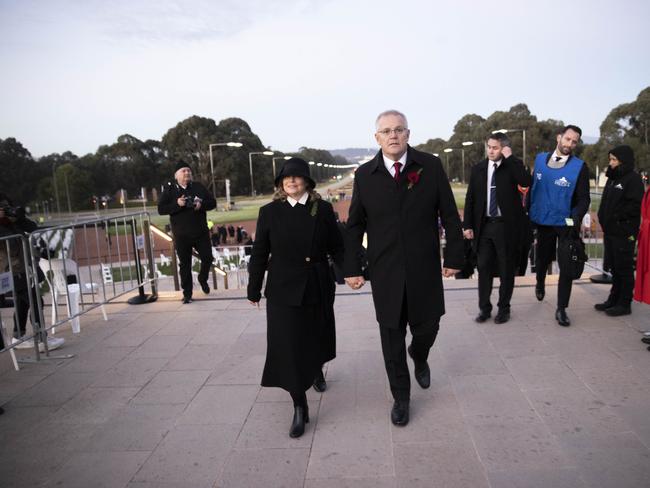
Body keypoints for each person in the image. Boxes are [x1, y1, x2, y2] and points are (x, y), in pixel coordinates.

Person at [344, 110, 464, 426]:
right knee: (391, 338)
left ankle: (420, 355)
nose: (393, 135)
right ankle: (401, 398)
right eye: (386, 131)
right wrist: (352, 266)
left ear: (408, 134)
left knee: (429, 326)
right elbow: (355, 225)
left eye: (399, 129)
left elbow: (450, 216)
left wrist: (453, 257)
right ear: (377, 138)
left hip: (424, 268)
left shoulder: (430, 166)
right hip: (385, 272)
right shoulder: (364, 175)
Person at [247, 157, 344, 438]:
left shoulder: (322, 209)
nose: (291, 182)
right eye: (285, 178)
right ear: (280, 184)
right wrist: (253, 289)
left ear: (307, 182)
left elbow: (337, 247)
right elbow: (260, 254)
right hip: (282, 288)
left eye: (297, 177)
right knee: (289, 346)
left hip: (317, 283)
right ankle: (299, 406)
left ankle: (316, 369)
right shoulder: (269, 212)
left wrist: (351, 272)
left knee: (315, 336)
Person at [463, 132, 531, 323]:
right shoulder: (478, 169)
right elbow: (471, 199)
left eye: (495, 147)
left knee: (506, 269)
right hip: (484, 227)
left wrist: (510, 158)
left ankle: (504, 308)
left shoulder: (512, 167)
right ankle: (484, 309)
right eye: (489, 147)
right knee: (483, 268)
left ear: (504, 149)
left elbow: (526, 181)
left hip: (506, 228)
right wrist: (467, 224)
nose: (491, 151)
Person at [529, 125, 590, 326]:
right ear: (559, 137)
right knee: (543, 258)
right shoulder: (539, 160)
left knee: (566, 266)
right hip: (543, 222)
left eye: (574, 141)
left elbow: (584, 199)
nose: (570, 144)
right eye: (568, 139)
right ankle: (539, 282)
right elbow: (533, 189)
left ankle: (561, 308)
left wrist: (575, 217)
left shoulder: (580, 167)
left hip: (565, 225)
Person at [0, 193, 64, 351]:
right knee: (35, 301)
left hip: (22, 268)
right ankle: (42, 338)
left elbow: (33, 228)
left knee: (23, 303)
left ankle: (18, 336)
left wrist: (19, 218)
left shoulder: (11, 222)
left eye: (8, 207)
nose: (7, 211)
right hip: (11, 270)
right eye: (4, 208)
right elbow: (13, 243)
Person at [595, 145, 644, 316]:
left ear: (623, 160)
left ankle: (624, 303)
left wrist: (616, 218)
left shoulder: (633, 180)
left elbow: (634, 206)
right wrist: (603, 217)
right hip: (610, 232)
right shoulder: (613, 178)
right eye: (610, 159)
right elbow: (606, 202)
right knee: (614, 267)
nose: (611, 162)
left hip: (624, 233)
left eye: (614, 159)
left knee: (624, 268)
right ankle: (613, 299)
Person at [157, 161, 216, 303]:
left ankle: (203, 278)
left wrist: (201, 205)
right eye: (184, 171)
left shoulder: (198, 187)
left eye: (188, 171)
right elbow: (161, 209)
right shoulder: (170, 190)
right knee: (185, 265)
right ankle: (187, 293)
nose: (187, 173)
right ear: (176, 175)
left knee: (207, 258)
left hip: (200, 232)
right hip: (181, 235)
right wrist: (177, 204)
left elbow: (213, 203)